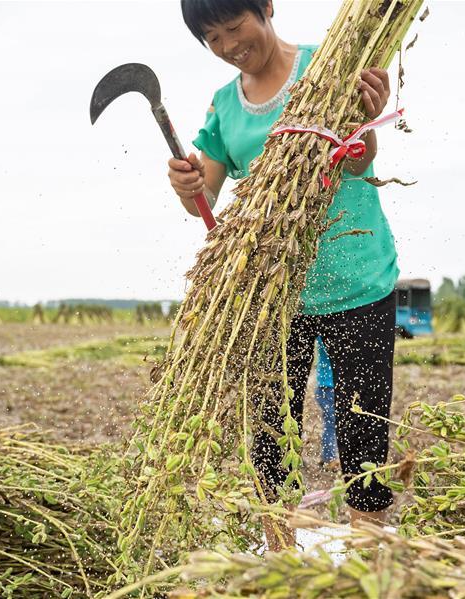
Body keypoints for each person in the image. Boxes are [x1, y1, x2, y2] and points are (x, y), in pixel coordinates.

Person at [170, 0, 399, 551]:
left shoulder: (331, 65)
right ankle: (281, 553)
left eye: (235, 26)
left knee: (363, 422)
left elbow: (359, 160)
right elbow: (206, 194)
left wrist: (365, 124)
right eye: (213, 38)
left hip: (359, 278)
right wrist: (187, 187)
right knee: (271, 428)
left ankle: (368, 554)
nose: (229, 46)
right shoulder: (224, 107)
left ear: (267, 7)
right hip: (273, 292)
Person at [313, 336, 338, 467]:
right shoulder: (329, 339)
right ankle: (330, 458)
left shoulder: (322, 338)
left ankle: (327, 455)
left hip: (325, 386)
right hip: (329, 387)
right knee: (332, 423)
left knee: (330, 422)